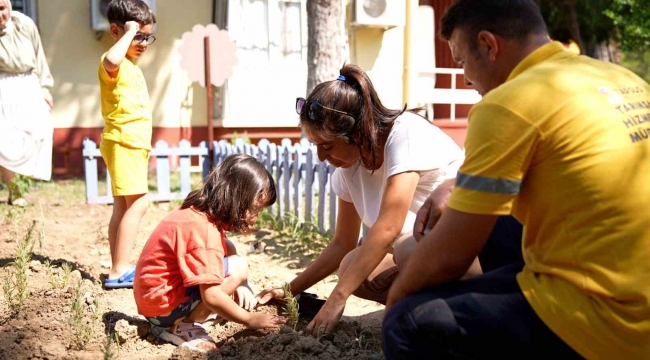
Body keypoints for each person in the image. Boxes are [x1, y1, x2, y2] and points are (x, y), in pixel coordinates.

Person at [382, 0, 650, 359]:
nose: (464, 77)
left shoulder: (506, 103)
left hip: (612, 321)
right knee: (491, 224)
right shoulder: (619, 77)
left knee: (409, 323)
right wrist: (456, 186)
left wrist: (397, 298)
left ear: (489, 45)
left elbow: (448, 258)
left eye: (462, 61)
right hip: (636, 279)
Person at [257, 63, 467, 336]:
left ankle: (459, 313)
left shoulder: (404, 134)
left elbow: (390, 227)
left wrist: (336, 300)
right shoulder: (349, 169)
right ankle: (424, 310)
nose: (321, 158)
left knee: (406, 247)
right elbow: (342, 243)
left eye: (328, 146)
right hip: (422, 255)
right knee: (350, 266)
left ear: (357, 131)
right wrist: (289, 290)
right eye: (316, 146)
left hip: (470, 248)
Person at [134, 154, 286, 352]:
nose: (254, 219)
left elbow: (227, 245)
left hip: (155, 301)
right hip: (164, 309)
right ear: (236, 199)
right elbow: (212, 296)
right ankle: (183, 326)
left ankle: (188, 317)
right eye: (253, 210)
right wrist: (249, 319)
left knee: (235, 264)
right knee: (237, 267)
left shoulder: (197, 213)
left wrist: (242, 284)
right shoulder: (204, 231)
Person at [98, 0, 156, 289]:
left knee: (122, 208)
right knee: (140, 203)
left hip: (131, 145)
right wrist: (128, 34)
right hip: (124, 143)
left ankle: (116, 266)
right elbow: (110, 61)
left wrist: (132, 33)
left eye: (147, 36)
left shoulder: (131, 66)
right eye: (138, 36)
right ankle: (120, 269)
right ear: (116, 31)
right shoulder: (114, 63)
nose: (143, 42)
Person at [0, 0, 54, 207]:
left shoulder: (24, 24)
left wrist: (45, 87)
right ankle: (15, 192)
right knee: (5, 141)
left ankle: (24, 183)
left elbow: (39, 56)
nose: (0, 15)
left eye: (1, 9)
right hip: (3, 85)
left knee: (37, 133)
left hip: (28, 83)